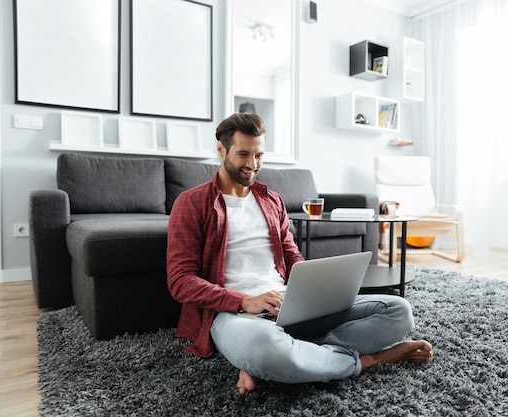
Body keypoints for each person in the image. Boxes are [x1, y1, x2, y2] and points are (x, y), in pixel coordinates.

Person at [166, 113, 433, 395]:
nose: (252, 165)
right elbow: (180, 280)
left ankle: (287, 357)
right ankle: (370, 359)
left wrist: (314, 290)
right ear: (221, 150)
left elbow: (292, 257)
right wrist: (244, 301)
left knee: (398, 310)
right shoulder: (192, 203)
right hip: (234, 315)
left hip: (289, 305)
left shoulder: (271, 200)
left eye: (259, 155)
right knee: (264, 347)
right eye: (243, 154)